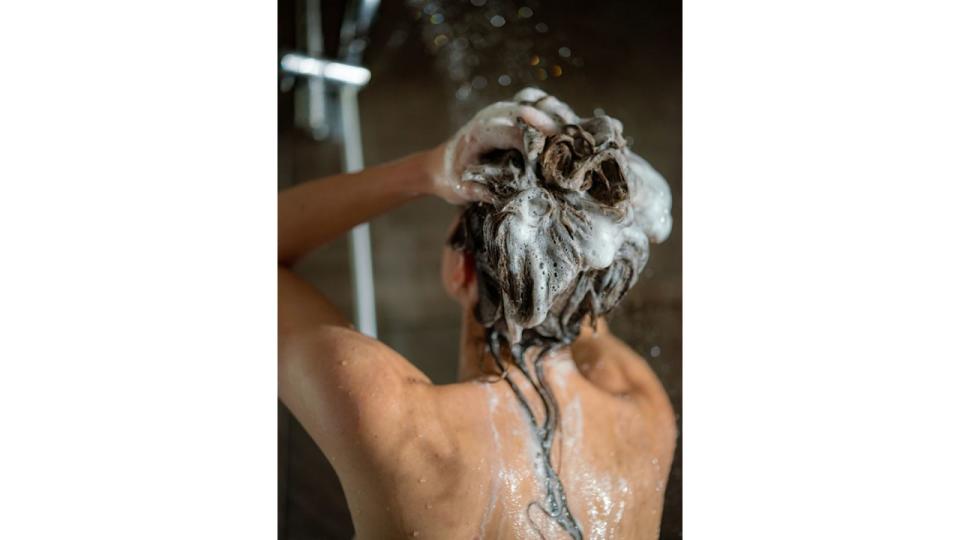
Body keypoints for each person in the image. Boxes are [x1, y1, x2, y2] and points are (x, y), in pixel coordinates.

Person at [279, 89, 676, 539]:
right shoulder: (643, 410)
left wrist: (430, 169)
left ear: (459, 268)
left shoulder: (397, 424)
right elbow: (576, 294)